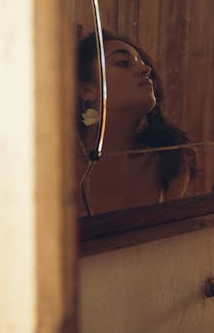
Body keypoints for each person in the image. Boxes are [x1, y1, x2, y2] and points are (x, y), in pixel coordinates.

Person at [77, 31, 194, 215]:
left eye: (142, 63)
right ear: (87, 90)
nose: (146, 69)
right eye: (123, 63)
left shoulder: (171, 162)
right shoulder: (59, 168)